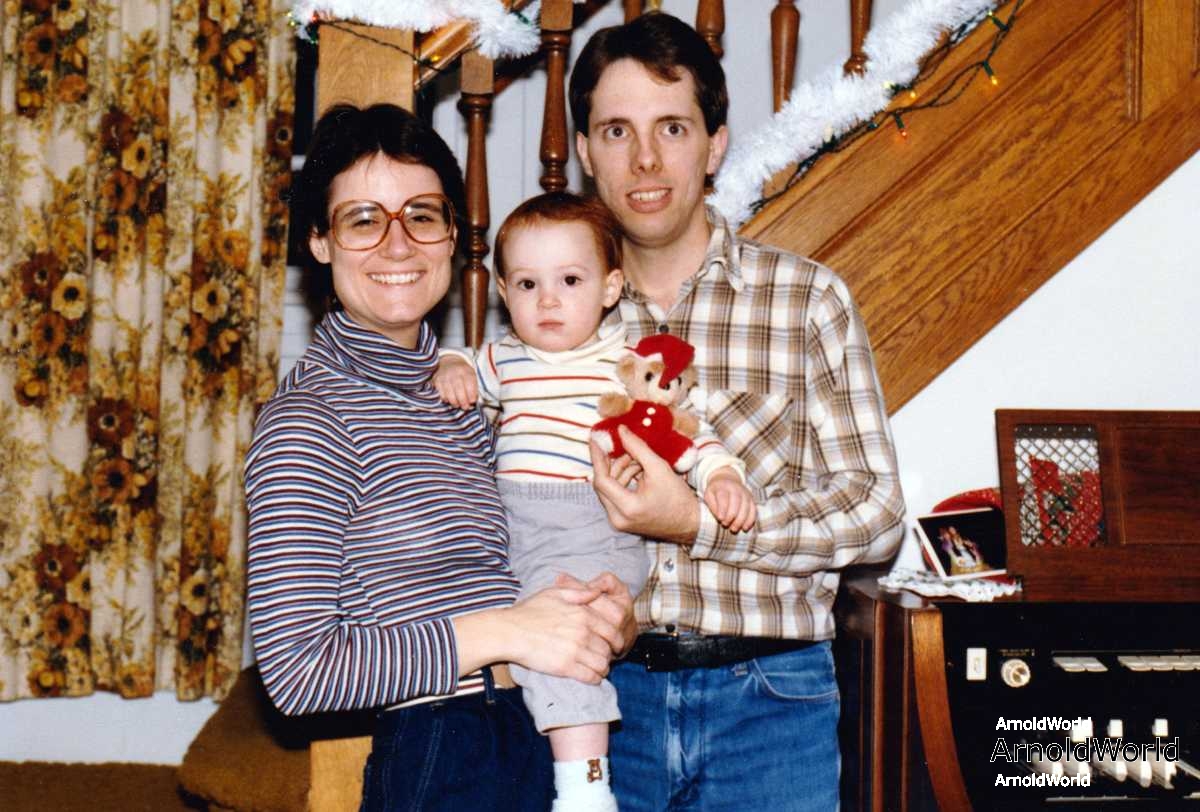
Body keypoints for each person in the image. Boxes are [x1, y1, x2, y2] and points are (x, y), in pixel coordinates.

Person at [243, 104, 636, 812]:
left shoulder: (468, 398)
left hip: (541, 732)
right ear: (320, 242)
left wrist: (604, 620)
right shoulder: (309, 420)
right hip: (443, 754)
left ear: (453, 235)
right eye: (363, 219)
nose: (398, 245)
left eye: (422, 215)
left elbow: (520, 569)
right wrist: (508, 630)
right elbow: (299, 673)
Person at [567, 13, 907, 810]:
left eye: (672, 127)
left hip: (771, 702)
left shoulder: (806, 300)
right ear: (584, 151)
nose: (644, 160)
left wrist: (700, 524)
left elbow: (877, 513)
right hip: (599, 706)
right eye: (616, 131)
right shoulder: (554, 319)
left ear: (715, 144)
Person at [433, 190, 755, 812]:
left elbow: (687, 431)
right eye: (527, 284)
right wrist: (453, 365)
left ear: (610, 287)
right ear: (502, 290)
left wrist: (721, 475)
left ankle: (585, 790)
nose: (548, 300)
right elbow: (456, 357)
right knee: (511, 640)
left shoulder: (625, 366)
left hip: (589, 526)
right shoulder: (504, 359)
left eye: (570, 280)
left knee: (561, 640)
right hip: (515, 528)